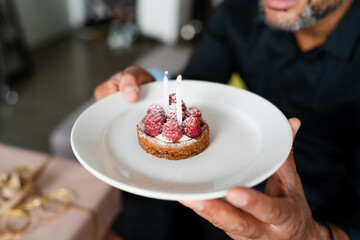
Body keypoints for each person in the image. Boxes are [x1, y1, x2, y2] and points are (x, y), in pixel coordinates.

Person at [95, 0, 360, 239]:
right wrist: (150, 96)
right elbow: (196, 92)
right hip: (216, 180)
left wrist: (312, 235)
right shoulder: (238, 12)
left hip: (323, 209)